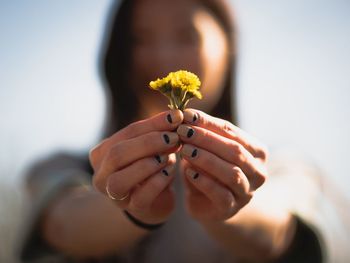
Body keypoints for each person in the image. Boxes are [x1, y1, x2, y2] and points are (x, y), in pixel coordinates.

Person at [18, 0, 325, 262]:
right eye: (140, 39)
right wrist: (134, 210)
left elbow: (281, 229)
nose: (164, 57)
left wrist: (230, 207)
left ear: (228, 46)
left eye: (187, 36)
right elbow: (62, 224)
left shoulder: (281, 168)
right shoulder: (65, 167)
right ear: (118, 56)